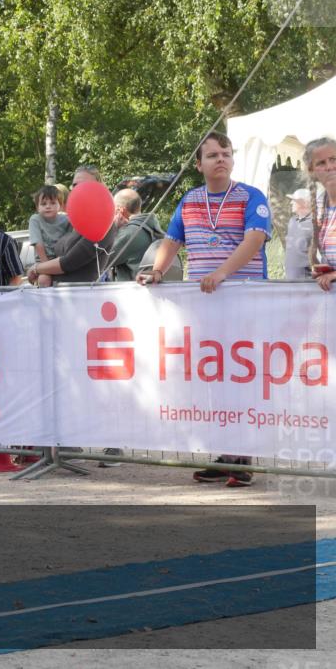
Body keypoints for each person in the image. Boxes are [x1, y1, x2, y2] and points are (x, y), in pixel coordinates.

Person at [138, 131, 271, 487]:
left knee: (242, 380)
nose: (221, 159)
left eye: (226, 153)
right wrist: (157, 271)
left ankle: (243, 458)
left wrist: (222, 273)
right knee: (212, 380)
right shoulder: (189, 200)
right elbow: (172, 241)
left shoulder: (251, 196)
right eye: (212, 155)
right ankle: (223, 453)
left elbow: (255, 239)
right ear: (198, 164)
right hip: (204, 308)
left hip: (243, 304)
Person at [26, 166, 119, 286]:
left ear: (99, 187)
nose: (78, 189)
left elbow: (69, 262)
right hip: (59, 293)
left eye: (84, 184)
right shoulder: (72, 220)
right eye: (75, 185)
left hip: (83, 294)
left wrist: (36, 268)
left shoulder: (103, 222)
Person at [108, 188, 167, 282]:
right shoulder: (150, 226)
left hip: (132, 289)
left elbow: (100, 260)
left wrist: (114, 229)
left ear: (120, 210)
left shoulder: (129, 233)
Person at [27, 185, 72, 288]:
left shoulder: (66, 219)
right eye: (43, 204)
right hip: (43, 259)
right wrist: (46, 266)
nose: (48, 206)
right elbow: (37, 244)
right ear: (37, 207)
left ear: (60, 205)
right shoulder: (35, 219)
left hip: (61, 259)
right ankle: (44, 298)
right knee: (44, 280)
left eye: (52, 203)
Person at [306, 137, 336, 292]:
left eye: (333, 159)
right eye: (321, 163)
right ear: (312, 171)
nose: (329, 167)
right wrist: (325, 272)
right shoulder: (319, 204)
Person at [283, 188, 313, 280]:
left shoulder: (314, 223)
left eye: (294, 200)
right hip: (290, 274)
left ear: (303, 203)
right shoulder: (293, 221)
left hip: (306, 276)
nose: (291, 203)